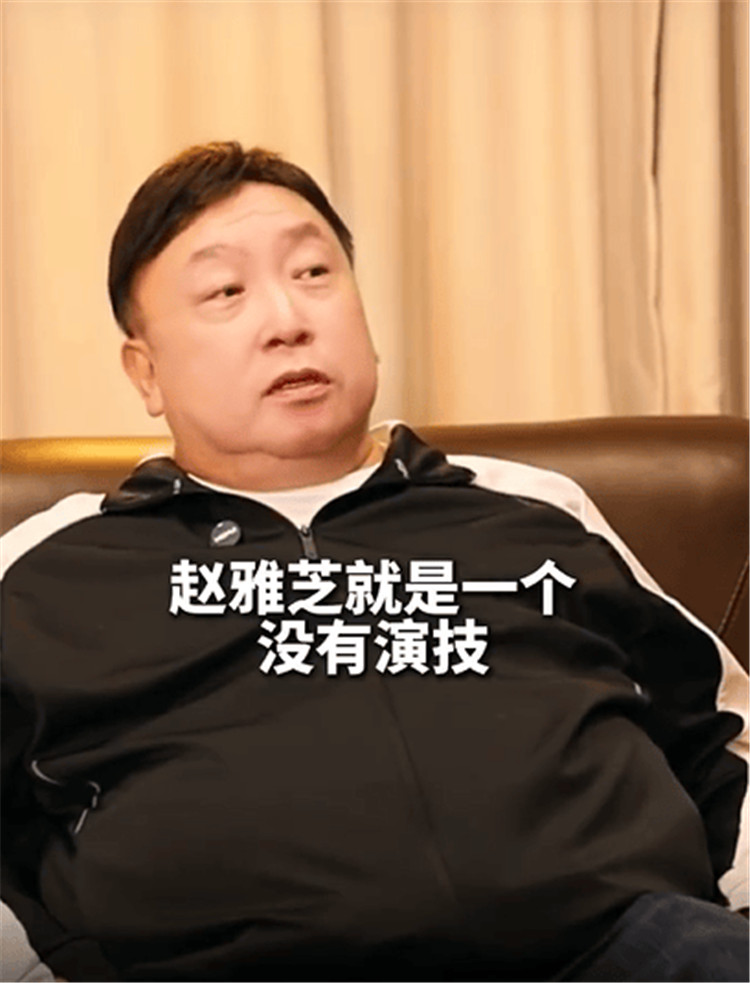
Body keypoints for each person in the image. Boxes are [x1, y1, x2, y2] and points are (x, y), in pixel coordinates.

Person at [1, 142, 747, 983]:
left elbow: (720, 735)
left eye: (314, 273)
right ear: (147, 372)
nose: (287, 318)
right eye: (226, 292)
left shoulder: (532, 510)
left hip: (615, 951)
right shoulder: (49, 571)